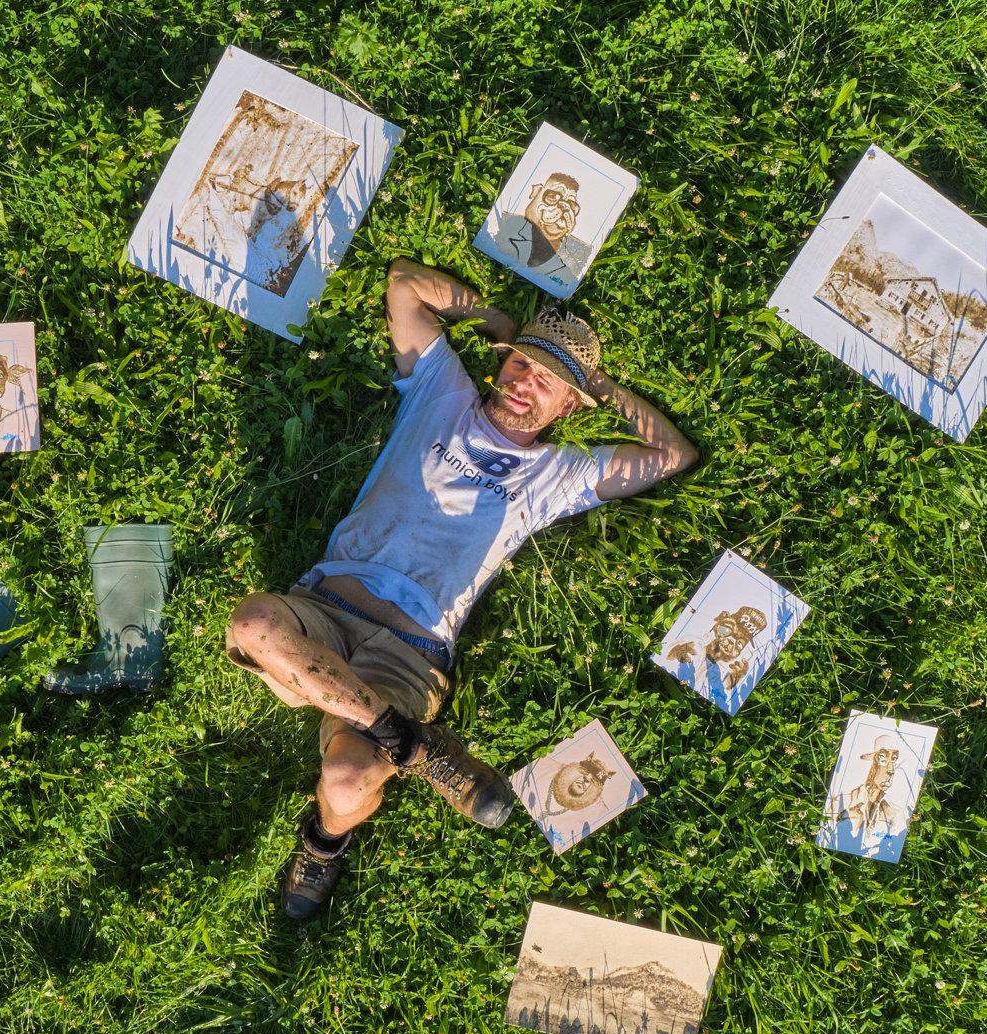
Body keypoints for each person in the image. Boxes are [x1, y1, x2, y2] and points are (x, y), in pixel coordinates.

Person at [224, 259, 699, 920]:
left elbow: (673, 456)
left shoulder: (556, 475)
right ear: (501, 364)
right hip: (323, 608)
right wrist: (497, 324)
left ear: (570, 407)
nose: (526, 382)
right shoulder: (440, 389)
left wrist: (599, 384)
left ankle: (326, 843)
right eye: (521, 365)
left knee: (349, 777)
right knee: (251, 626)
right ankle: (416, 747)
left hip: (409, 654)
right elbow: (404, 284)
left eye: (550, 383)